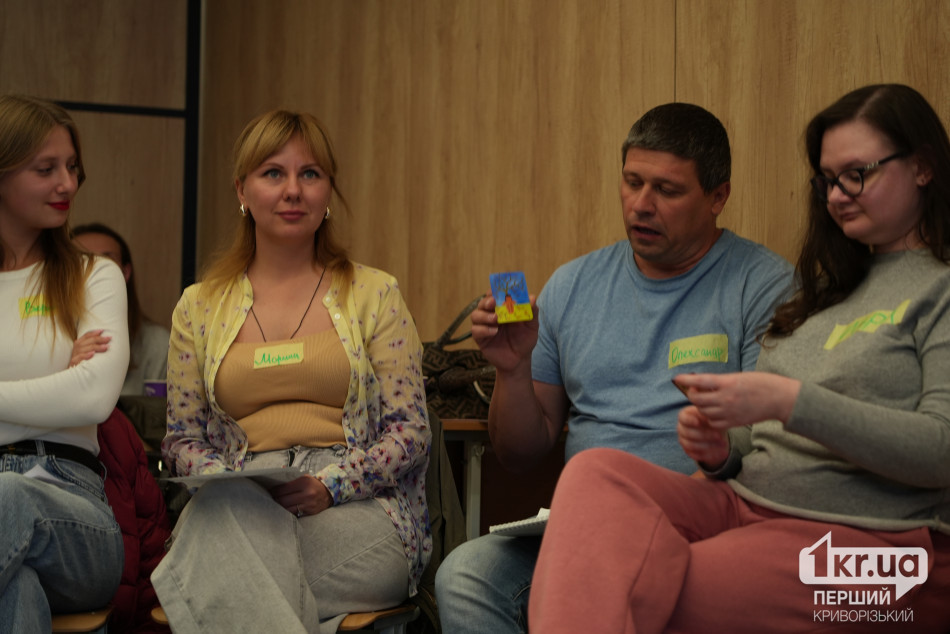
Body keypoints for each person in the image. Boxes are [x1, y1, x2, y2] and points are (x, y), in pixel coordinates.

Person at [528, 83, 950, 633]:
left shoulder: (938, 289)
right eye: (827, 179)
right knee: (595, 473)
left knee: (656, 584)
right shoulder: (824, 293)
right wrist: (723, 448)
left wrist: (790, 401)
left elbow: (941, 450)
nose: (838, 195)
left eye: (857, 173)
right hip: (749, 505)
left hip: (883, 547)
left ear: (922, 167)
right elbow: (761, 441)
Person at [435, 103, 793, 633]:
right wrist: (512, 370)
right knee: (466, 574)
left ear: (718, 197)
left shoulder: (764, 285)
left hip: (702, 524)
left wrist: (654, 518)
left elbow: (764, 447)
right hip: (586, 526)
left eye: (667, 190)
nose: (641, 205)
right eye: (632, 182)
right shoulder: (572, 285)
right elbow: (520, 453)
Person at [150, 109, 432, 633]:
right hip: (238, 498)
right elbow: (181, 440)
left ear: (328, 191)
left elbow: (410, 432)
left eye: (310, 174)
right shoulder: (198, 307)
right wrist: (228, 482)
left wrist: (332, 484)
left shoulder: (375, 294)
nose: (293, 190)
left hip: (353, 505)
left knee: (217, 576)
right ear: (242, 189)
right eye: (273, 173)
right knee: (233, 539)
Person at [0, 95, 129, 630]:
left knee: (8, 498)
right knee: (17, 590)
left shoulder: (94, 275)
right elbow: (73, 392)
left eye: (72, 167)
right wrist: (57, 384)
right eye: (46, 169)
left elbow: (93, 398)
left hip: (74, 509)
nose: (67, 184)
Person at [72, 222, 170, 395]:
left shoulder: (157, 344)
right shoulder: (45, 340)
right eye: (81, 261)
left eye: (105, 262)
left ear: (125, 272)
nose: (94, 272)